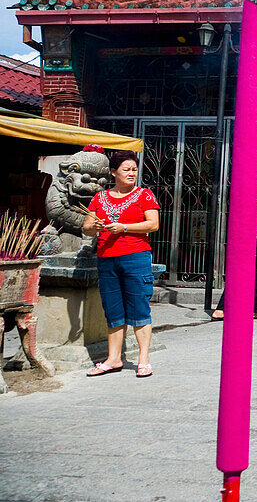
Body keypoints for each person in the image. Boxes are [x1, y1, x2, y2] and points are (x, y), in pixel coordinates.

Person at [82, 150, 161, 378]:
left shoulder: (144, 195)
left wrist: (124, 227)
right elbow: (87, 226)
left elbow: (152, 224)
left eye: (134, 169)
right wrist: (94, 227)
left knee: (139, 307)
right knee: (113, 309)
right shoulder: (100, 198)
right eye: (126, 169)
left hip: (135, 257)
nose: (131, 173)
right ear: (113, 172)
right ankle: (113, 359)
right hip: (106, 258)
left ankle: (143, 360)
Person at [211, 194, 257, 321]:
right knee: (249, 280)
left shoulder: (243, 215)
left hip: (241, 252)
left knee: (247, 280)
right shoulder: (244, 216)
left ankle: (226, 310)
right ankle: (222, 310)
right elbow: (242, 236)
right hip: (240, 253)